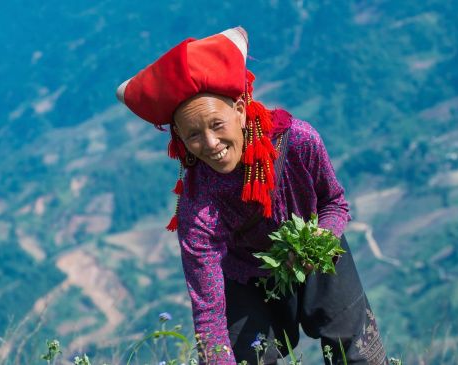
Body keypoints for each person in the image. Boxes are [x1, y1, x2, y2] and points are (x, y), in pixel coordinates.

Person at [116, 26, 386, 365]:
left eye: (217, 125)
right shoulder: (198, 205)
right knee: (249, 359)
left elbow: (334, 203)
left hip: (316, 249)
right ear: (180, 140)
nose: (210, 144)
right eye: (193, 135)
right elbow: (209, 311)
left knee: (355, 353)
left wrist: (322, 236)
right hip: (246, 274)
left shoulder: (299, 142)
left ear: (241, 109)